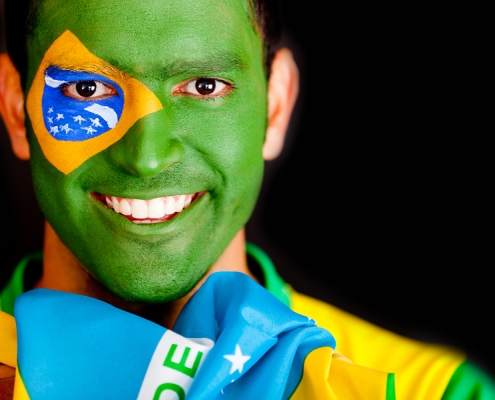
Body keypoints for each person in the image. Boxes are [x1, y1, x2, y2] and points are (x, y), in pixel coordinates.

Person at [0, 0, 494, 398]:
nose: (147, 158)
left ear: (275, 106)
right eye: (86, 89)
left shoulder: (431, 391)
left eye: (204, 85)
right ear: (16, 107)